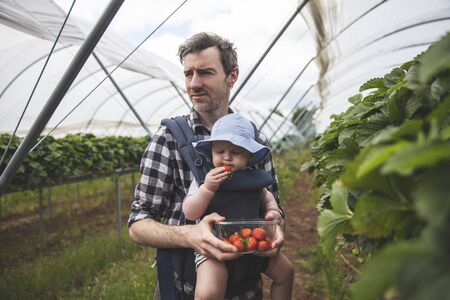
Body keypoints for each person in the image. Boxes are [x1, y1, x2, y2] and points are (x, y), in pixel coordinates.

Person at [128, 32, 289, 299]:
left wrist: (275, 227)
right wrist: (191, 235)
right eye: (188, 74)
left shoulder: (256, 142)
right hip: (186, 289)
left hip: (246, 288)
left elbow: (272, 206)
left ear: (232, 76)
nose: (194, 83)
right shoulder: (169, 138)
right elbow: (137, 224)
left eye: (205, 72)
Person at [182, 112, 294, 299]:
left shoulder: (256, 180)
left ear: (249, 156)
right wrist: (208, 188)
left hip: (254, 246)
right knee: (208, 293)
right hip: (215, 249)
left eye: (235, 152)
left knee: (286, 273)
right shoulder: (205, 179)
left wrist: (274, 212)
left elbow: (267, 199)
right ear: (211, 152)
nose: (226, 157)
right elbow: (190, 212)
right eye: (220, 152)